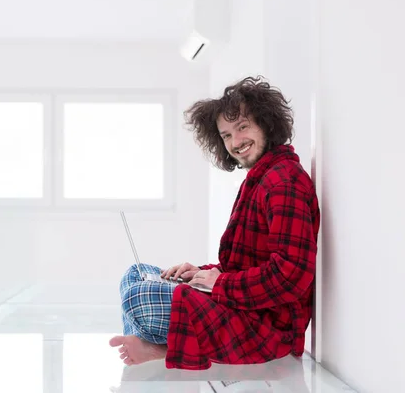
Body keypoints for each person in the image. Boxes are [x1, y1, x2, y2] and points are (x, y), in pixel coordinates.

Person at [109, 76, 320, 370]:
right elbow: (245, 263)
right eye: (226, 135)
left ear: (266, 124)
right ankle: (158, 347)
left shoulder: (283, 181)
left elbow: (291, 276)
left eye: (242, 127)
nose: (236, 142)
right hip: (242, 303)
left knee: (138, 297)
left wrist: (219, 283)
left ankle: (159, 348)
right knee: (136, 274)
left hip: (268, 325)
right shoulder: (260, 178)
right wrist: (203, 273)